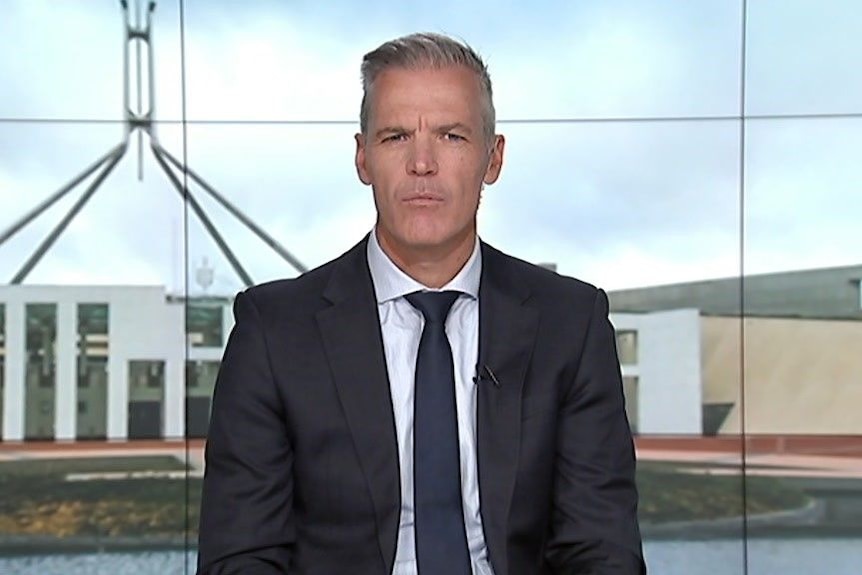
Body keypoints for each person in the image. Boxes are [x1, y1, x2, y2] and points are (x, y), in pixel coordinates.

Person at [197, 32, 644, 575]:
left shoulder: (570, 324)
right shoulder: (274, 332)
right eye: (396, 137)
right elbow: (242, 558)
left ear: (493, 157)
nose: (422, 163)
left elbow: (600, 551)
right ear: (363, 157)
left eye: (452, 136)